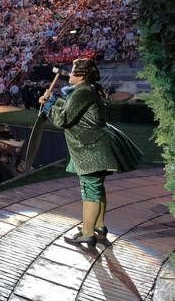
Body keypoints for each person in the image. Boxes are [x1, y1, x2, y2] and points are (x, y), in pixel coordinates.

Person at [40, 58, 142, 247]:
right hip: (95, 147)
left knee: (90, 190)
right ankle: (98, 227)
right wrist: (54, 100)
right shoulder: (85, 90)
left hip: (91, 150)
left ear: (81, 76)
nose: (69, 74)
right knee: (96, 188)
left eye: (72, 72)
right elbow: (72, 106)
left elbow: (63, 119)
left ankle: (88, 233)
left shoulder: (82, 92)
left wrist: (47, 107)